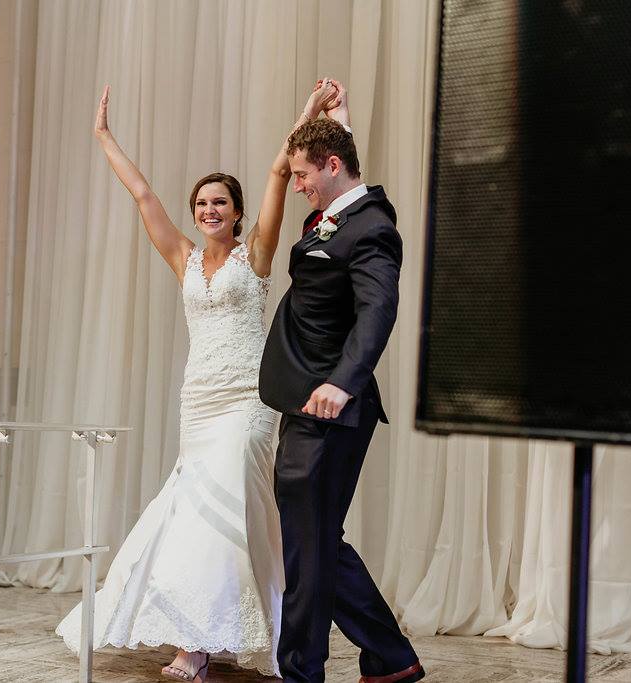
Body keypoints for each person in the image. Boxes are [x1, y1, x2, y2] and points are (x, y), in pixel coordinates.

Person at [56, 81, 341, 682]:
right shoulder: (183, 258)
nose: (210, 210)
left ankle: (200, 641)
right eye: (202, 204)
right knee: (200, 513)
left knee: (230, 506)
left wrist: (308, 114)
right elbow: (142, 195)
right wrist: (103, 137)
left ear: (237, 212)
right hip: (199, 403)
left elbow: (276, 170)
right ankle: (214, 629)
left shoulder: (255, 254)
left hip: (247, 402)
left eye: (221, 203)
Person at [259, 82, 426, 683]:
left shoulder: (371, 227)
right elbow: (333, 165)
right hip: (305, 400)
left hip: (329, 406)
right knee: (314, 544)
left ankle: (301, 672)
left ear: (332, 166)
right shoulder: (343, 212)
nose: (295, 183)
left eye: (303, 174)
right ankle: (391, 658)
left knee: (307, 550)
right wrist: (332, 122)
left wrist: (344, 382)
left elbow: (379, 310)